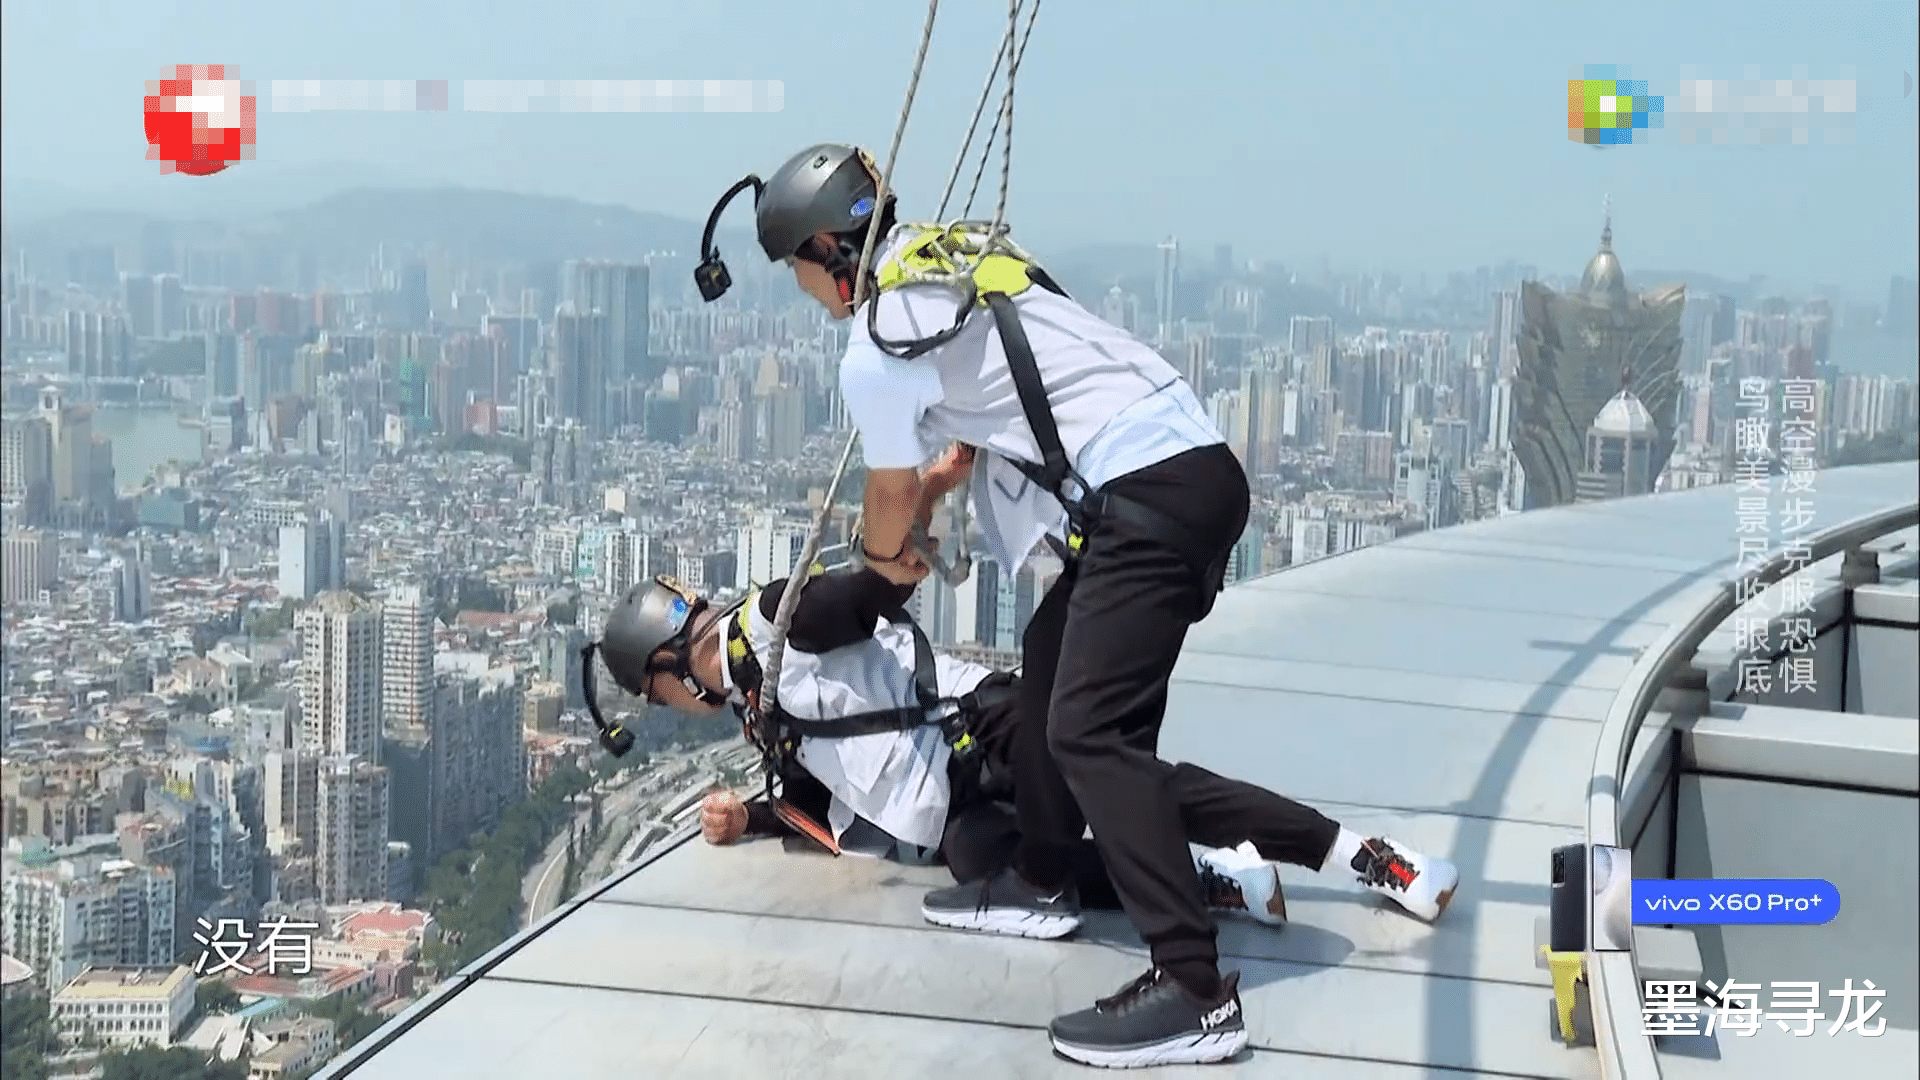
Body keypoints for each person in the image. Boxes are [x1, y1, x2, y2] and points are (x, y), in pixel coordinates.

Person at [719, 143, 1461, 1068]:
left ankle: (1194, 991)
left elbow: (887, 495)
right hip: (1183, 473)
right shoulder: (957, 263)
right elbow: (971, 442)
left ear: (827, 246)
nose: (807, 294)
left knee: (1089, 739)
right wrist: (927, 506)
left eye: (797, 271)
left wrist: (883, 561)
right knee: (1051, 678)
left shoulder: (878, 345)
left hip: (1144, 499)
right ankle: (1042, 878)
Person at [586, 566, 1460, 1062]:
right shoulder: (755, 688)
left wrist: (903, 534)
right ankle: (1218, 880)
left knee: (1150, 792)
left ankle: (1363, 856)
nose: (675, 710)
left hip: (996, 733)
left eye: (662, 696)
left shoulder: (774, 620)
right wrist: (758, 819)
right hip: (964, 801)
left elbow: (858, 597)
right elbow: (836, 786)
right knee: (998, 871)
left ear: (670, 669)